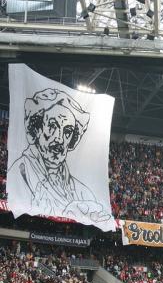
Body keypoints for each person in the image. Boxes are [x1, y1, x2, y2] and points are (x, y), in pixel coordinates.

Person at [7, 88, 111, 223]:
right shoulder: (19, 173)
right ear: (36, 128)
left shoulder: (84, 193)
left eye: (67, 132)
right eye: (52, 126)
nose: (59, 139)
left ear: (73, 140)